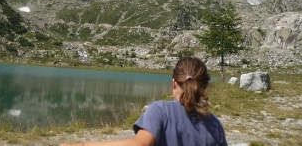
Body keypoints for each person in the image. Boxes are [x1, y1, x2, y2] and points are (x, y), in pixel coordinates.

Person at [60, 56, 228, 146]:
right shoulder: (214, 124)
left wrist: (80, 145)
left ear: (174, 83)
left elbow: (140, 144)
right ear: (204, 88)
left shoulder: (161, 110)